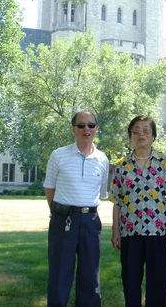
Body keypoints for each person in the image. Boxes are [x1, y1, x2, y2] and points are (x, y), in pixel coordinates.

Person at [110, 115, 166, 307]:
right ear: (130, 136)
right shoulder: (121, 166)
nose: (141, 134)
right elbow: (117, 201)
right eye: (136, 130)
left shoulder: (165, 161)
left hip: (158, 230)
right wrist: (116, 231)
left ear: (153, 136)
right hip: (129, 231)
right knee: (130, 279)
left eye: (146, 130)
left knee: (158, 280)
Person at [43, 110, 110, 307]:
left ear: (96, 129)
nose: (86, 129)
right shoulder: (58, 155)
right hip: (63, 220)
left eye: (90, 125)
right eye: (81, 125)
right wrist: (61, 212)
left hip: (90, 221)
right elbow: (50, 188)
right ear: (74, 129)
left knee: (90, 275)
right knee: (60, 273)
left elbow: (100, 191)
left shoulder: (102, 159)